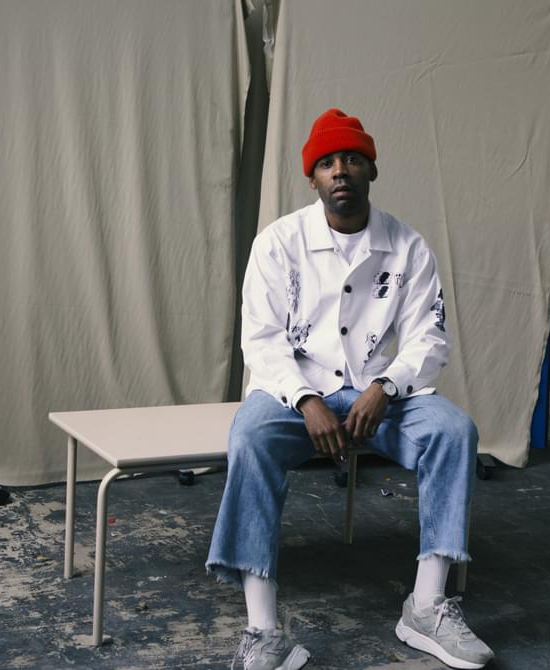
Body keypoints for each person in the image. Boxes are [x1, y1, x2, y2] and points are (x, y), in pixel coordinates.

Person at [207, 108, 494, 670]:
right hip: (295, 393)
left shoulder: (408, 247)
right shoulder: (278, 243)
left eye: (353, 159)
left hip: (379, 395)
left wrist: (386, 387)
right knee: (250, 437)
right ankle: (263, 631)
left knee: (454, 431)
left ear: (372, 171)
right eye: (328, 162)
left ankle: (428, 607)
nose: (341, 170)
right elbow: (261, 340)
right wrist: (305, 399)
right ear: (312, 178)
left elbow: (429, 339)